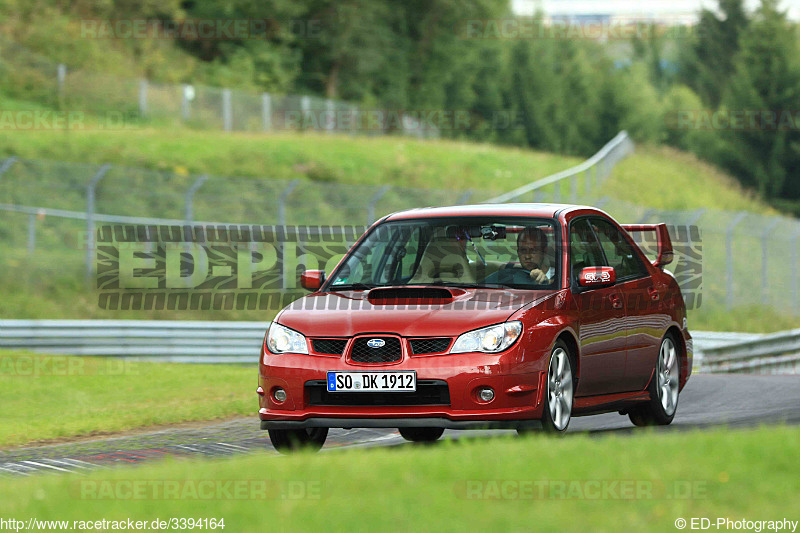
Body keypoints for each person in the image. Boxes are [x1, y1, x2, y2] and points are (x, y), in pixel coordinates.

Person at [484, 226, 555, 286]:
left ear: (544, 251)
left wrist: (547, 282)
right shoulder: (508, 275)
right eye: (523, 250)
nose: (527, 256)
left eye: (533, 250)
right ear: (518, 252)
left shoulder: (559, 276)